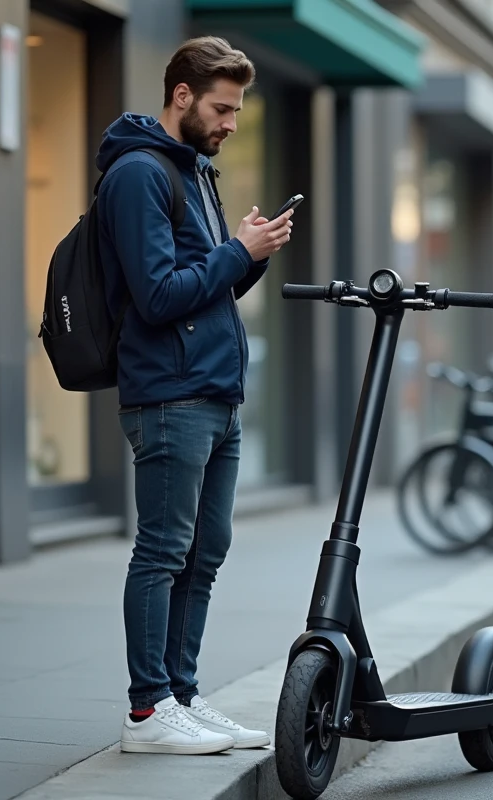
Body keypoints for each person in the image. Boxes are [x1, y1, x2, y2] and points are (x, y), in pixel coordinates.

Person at [95, 36, 294, 755]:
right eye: (222, 107)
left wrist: (249, 254)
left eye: (237, 110)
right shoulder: (139, 175)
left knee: (204, 552)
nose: (232, 122)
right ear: (181, 96)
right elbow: (155, 296)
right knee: (163, 551)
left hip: (214, 392)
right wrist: (235, 253)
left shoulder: (195, 174)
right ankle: (147, 713)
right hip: (169, 396)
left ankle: (181, 694)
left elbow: (206, 290)